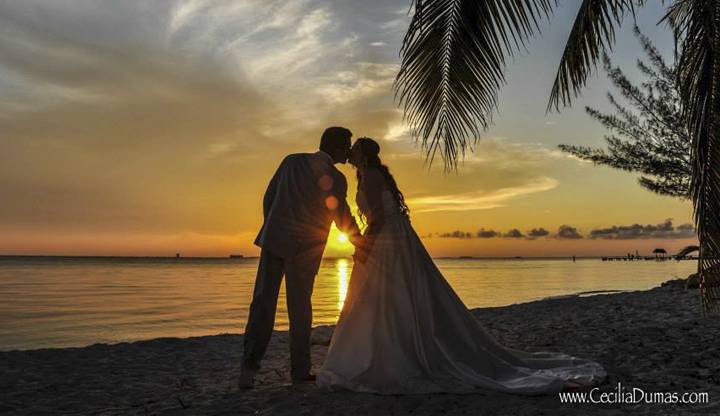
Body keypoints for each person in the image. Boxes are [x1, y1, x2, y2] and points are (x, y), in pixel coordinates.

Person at [317, 137, 606, 394]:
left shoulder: (368, 175)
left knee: (387, 295)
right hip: (396, 237)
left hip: (386, 240)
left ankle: (389, 353)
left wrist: (364, 247)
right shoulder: (373, 174)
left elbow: (378, 216)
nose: (350, 154)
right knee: (394, 295)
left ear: (363, 155)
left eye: (354, 149)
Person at [239, 127, 363, 388]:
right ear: (338, 147)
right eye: (347, 145)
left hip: (274, 240)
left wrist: (274, 224)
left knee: (262, 304)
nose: (349, 151)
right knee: (300, 309)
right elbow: (340, 215)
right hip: (305, 249)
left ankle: (248, 369)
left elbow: (269, 197)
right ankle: (300, 370)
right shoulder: (336, 178)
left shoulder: (291, 161)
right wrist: (360, 240)